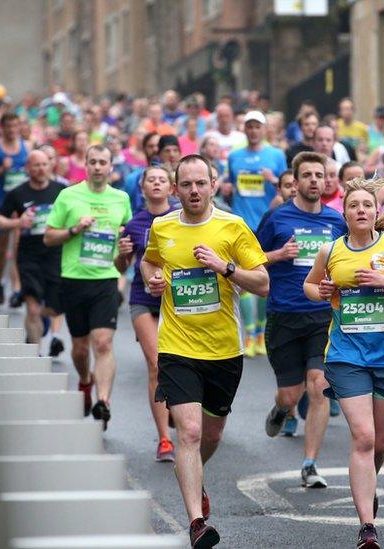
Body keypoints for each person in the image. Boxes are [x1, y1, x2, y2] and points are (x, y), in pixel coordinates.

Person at [142, 154, 269, 548]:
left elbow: (262, 283)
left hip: (224, 350)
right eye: (187, 184)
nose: (194, 190)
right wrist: (153, 281)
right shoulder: (162, 227)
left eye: (201, 183)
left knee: (211, 434)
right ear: (176, 189)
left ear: (214, 185)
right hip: (177, 346)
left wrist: (225, 267)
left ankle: (196, 474)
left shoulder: (233, 226)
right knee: (191, 432)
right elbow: (148, 264)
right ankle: (196, 522)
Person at [303, 178, 384, 549]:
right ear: (344, 213)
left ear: (377, 212)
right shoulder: (331, 250)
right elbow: (310, 285)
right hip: (345, 355)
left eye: (367, 206)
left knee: (380, 444)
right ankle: (367, 527)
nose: (361, 211)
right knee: (364, 436)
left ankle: (367, 485)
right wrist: (321, 290)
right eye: (354, 205)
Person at [258, 151, 348, 486]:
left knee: (319, 385)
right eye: (307, 175)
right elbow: (251, 260)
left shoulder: (337, 222)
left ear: (327, 181)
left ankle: (310, 464)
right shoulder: (276, 218)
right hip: (284, 313)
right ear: (294, 182)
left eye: (319, 175)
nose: (314, 181)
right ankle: (282, 410)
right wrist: (278, 254)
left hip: (322, 315)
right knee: (290, 395)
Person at [44, 144, 132, 428]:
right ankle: (85, 381)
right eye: (92, 162)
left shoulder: (121, 198)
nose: (97, 167)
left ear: (111, 167)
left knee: (103, 343)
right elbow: (48, 237)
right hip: (73, 279)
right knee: (80, 349)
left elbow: (126, 239)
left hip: (105, 279)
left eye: (102, 162)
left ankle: (103, 401)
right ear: (85, 164)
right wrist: (74, 229)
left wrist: (124, 243)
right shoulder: (68, 196)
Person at [115, 165, 178, 462]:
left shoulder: (180, 219)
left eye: (161, 180)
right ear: (142, 188)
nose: (156, 184)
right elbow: (121, 267)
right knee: (156, 364)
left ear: (171, 188)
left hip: (176, 299)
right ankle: (165, 438)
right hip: (142, 297)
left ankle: (177, 408)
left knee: (178, 363)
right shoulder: (135, 222)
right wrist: (122, 253)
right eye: (150, 180)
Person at [224, 110, 288, 357]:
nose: (253, 131)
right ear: (245, 129)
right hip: (243, 222)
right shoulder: (235, 156)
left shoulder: (276, 155)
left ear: (264, 129)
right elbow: (230, 186)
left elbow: (285, 186)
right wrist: (228, 187)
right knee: (247, 281)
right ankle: (249, 335)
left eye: (257, 126)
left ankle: (261, 333)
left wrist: (272, 180)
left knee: (263, 279)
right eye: (249, 127)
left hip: (267, 221)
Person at [0, 150, 67, 355]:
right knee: (32, 309)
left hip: (56, 255)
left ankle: (41, 319)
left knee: (55, 309)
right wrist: (18, 222)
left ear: (50, 166)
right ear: (28, 168)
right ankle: (37, 357)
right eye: (36, 165)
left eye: (44, 164)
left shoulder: (61, 190)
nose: (41, 169)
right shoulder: (18, 193)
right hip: (29, 257)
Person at [0, 113, 30, 305]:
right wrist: (2, 169)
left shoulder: (27, 147)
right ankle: (0, 281)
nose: (12, 130)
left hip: (22, 204)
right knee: (2, 248)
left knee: (18, 248)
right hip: (2, 202)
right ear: (2, 127)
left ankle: (17, 289)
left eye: (15, 126)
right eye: (8, 126)